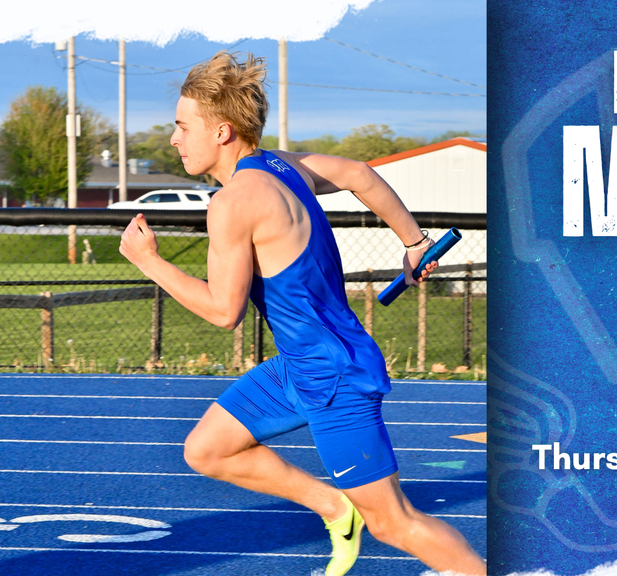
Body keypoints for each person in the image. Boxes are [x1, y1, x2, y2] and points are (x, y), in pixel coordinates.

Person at [119, 52, 486, 576]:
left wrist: (149, 262)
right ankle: (336, 508)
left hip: (332, 374)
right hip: (301, 364)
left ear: (221, 131)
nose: (174, 138)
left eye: (182, 126)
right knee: (208, 449)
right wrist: (415, 241)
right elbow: (360, 174)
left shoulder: (233, 202)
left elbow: (225, 313)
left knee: (395, 522)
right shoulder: (281, 165)